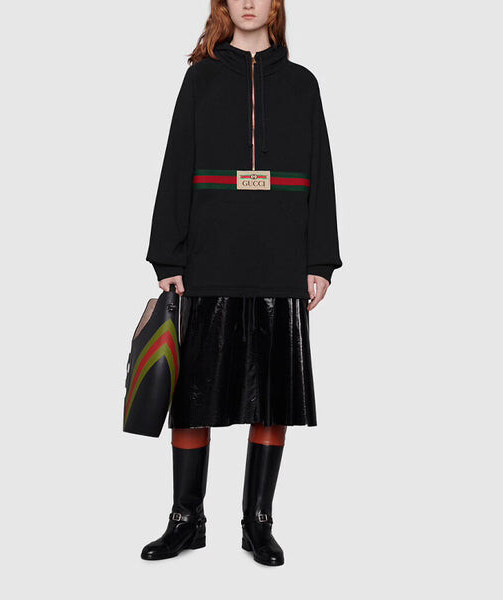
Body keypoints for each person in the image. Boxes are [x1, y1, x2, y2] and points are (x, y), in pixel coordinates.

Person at [141, 0, 342, 566]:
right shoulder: (200, 79)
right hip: (209, 258)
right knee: (192, 398)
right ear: (223, 4)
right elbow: (176, 165)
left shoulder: (303, 84)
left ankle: (258, 523)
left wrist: (320, 260)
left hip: (281, 260)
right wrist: (168, 256)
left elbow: (321, 170)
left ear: (276, 4)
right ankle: (186, 520)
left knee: (273, 396)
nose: (249, 2)